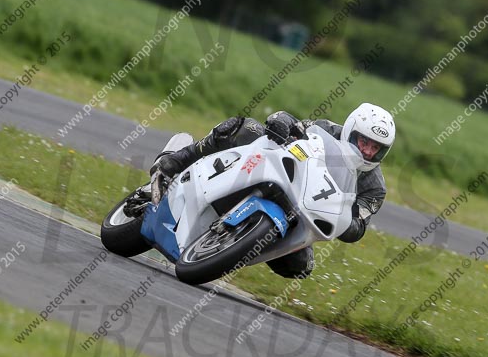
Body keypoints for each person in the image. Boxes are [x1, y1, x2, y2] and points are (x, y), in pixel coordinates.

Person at [150, 103, 396, 279]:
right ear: (350, 130)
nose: (368, 152)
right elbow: (297, 127)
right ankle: (178, 159)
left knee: (301, 266)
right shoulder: (329, 129)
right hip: (283, 177)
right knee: (246, 128)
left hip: (304, 212)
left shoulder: (374, 187)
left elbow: (358, 227)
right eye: (364, 141)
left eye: (377, 148)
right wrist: (282, 121)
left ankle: (233, 244)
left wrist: (346, 222)